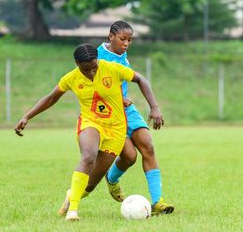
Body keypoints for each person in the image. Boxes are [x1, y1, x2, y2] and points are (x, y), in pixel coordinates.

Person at [15, 43, 164, 221]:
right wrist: (27, 116)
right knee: (88, 156)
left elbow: (141, 80)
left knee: (90, 185)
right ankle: (73, 212)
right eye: (86, 69)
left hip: (116, 130)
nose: (92, 72)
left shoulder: (112, 68)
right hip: (90, 122)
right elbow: (51, 98)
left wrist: (154, 107)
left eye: (94, 67)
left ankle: (72, 195)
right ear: (77, 64)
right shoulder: (71, 78)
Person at [59, 21, 174, 216]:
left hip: (127, 111)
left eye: (130, 40)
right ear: (110, 36)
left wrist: (154, 107)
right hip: (108, 116)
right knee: (129, 157)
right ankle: (108, 181)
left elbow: (133, 79)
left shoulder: (121, 55)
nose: (127, 43)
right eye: (123, 39)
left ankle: (157, 202)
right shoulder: (95, 57)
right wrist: (118, 98)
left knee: (148, 145)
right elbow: (93, 90)